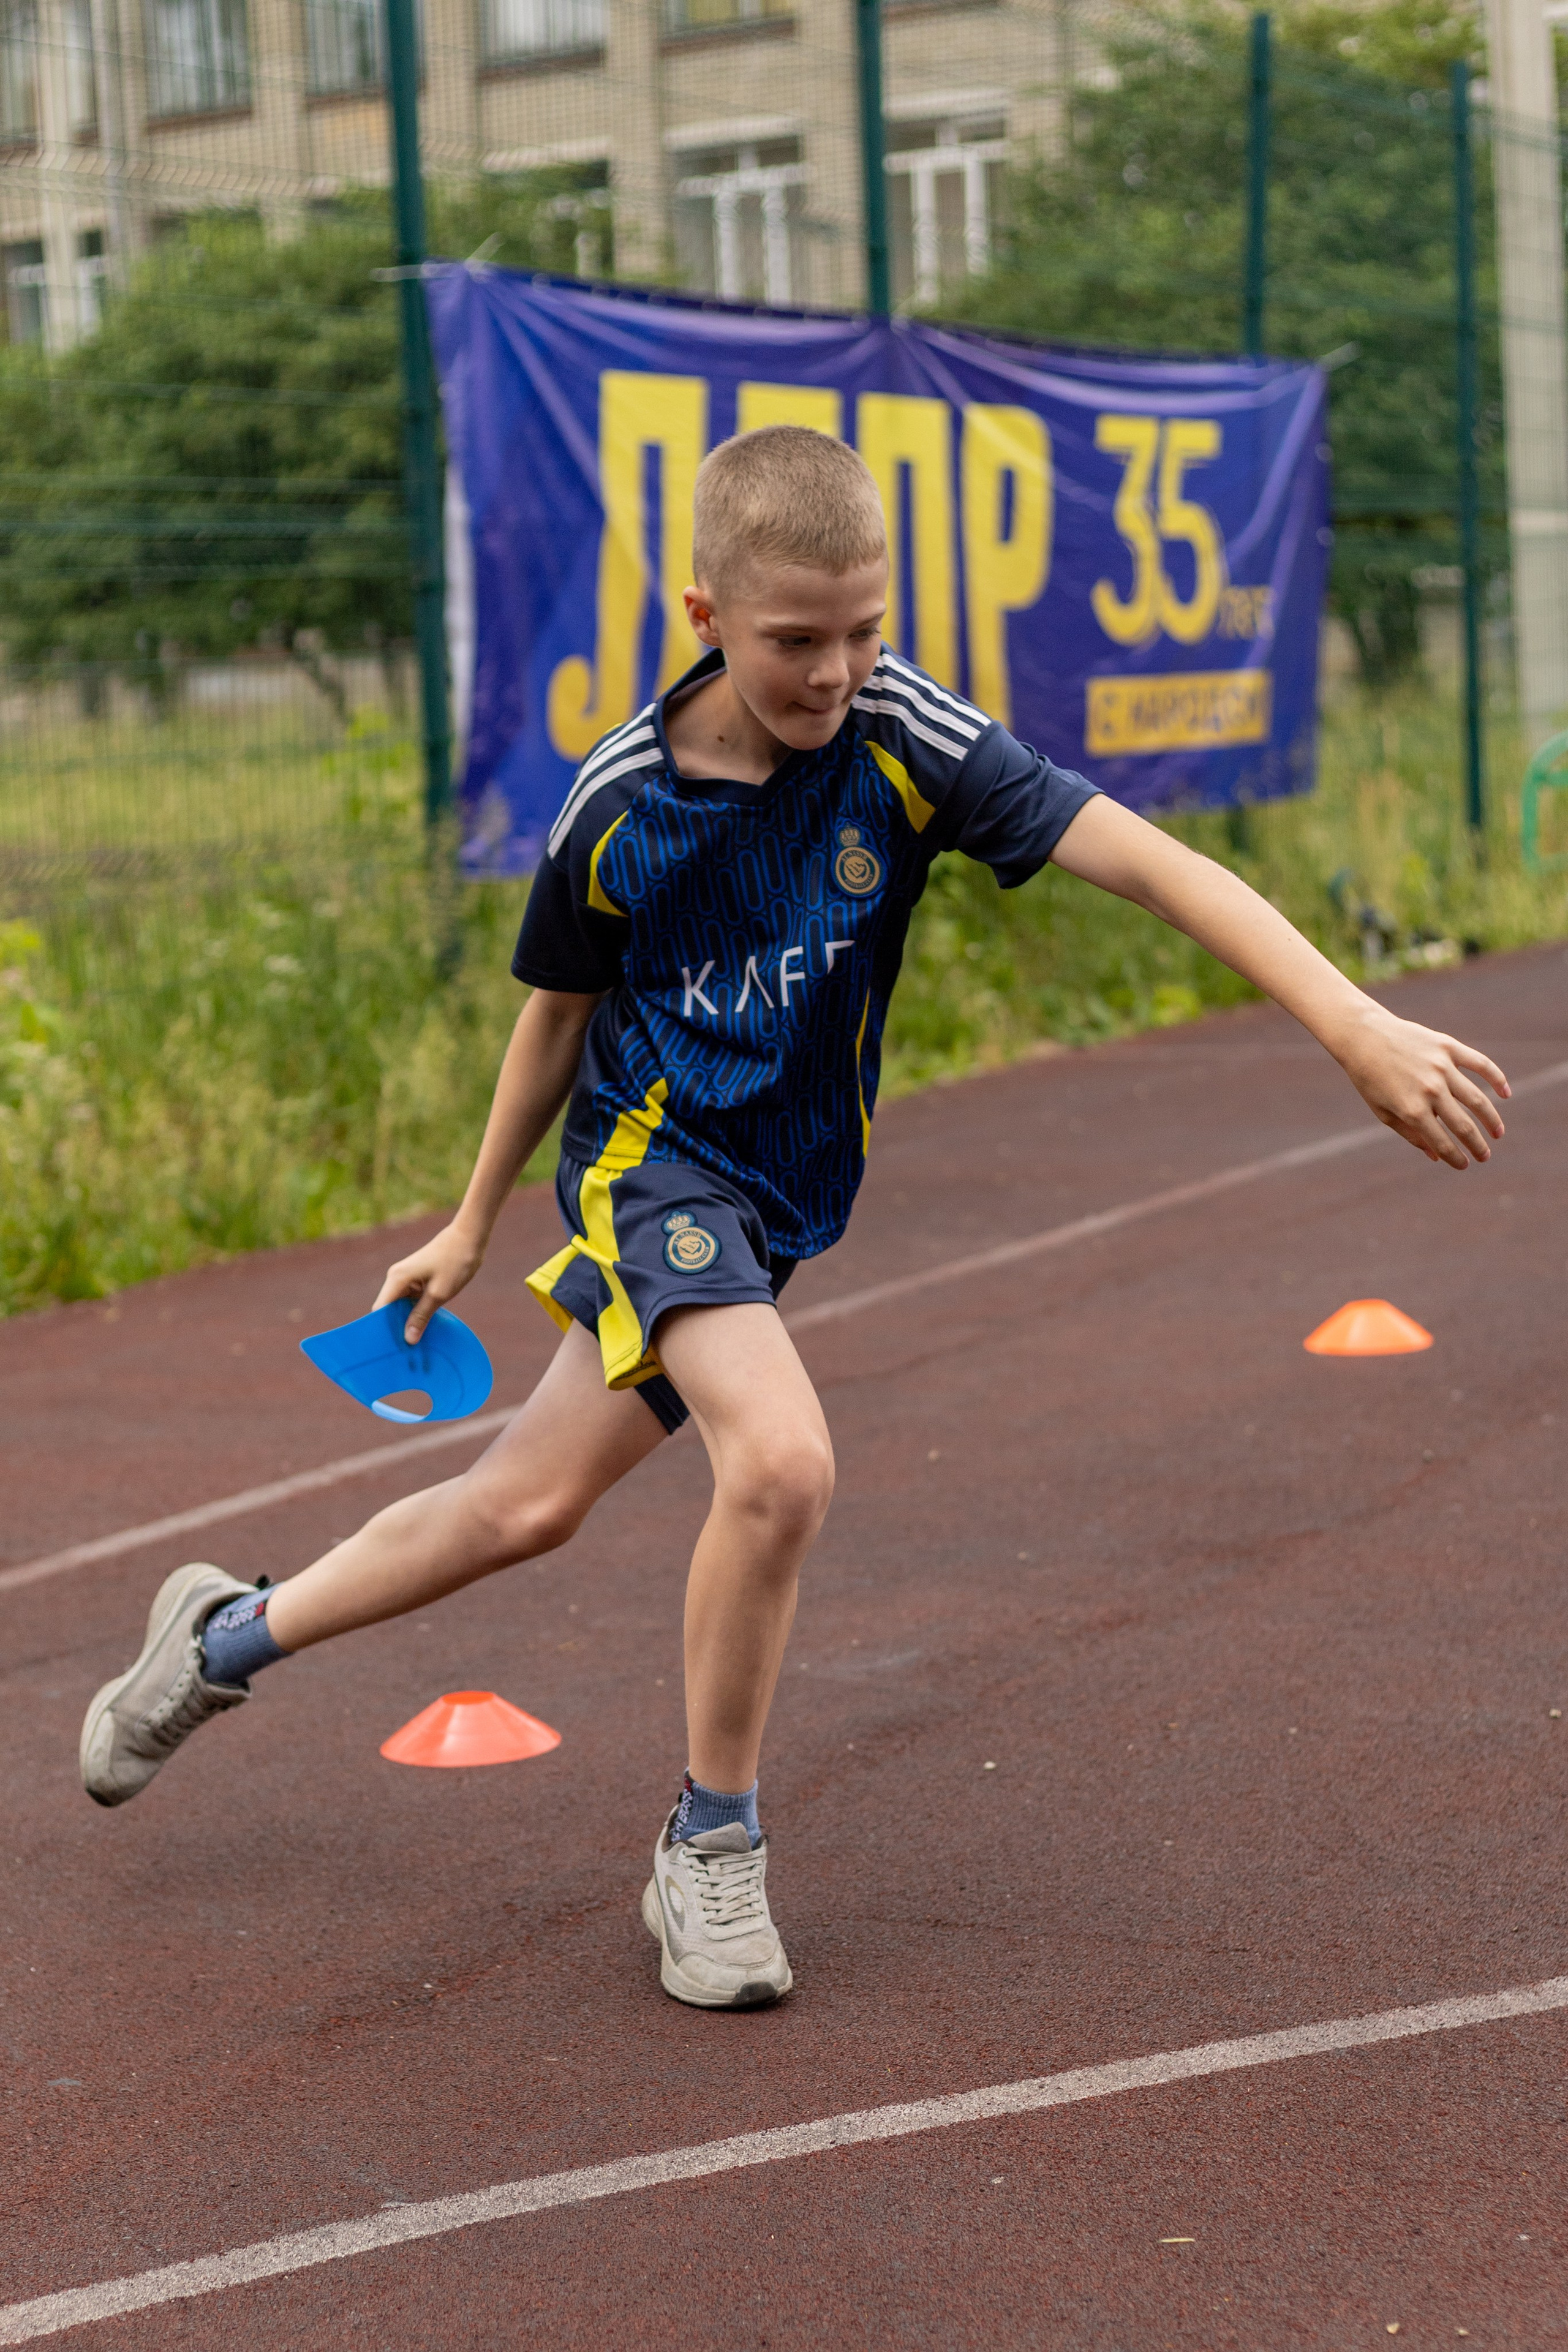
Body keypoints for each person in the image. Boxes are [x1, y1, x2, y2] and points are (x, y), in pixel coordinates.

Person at [79, 425, 1510, 2010]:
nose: (836, 672)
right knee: (784, 1463)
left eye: (865, 631)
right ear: (704, 616)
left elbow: (1158, 867)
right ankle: (711, 1848)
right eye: (794, 641)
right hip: (653, 1175)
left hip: (775, 1203)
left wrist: (1353, 1022)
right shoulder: (617, 808)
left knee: (522, 1509)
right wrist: (473, 1221)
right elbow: (556, 1018)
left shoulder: (906, 741)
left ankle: (216, 1639)